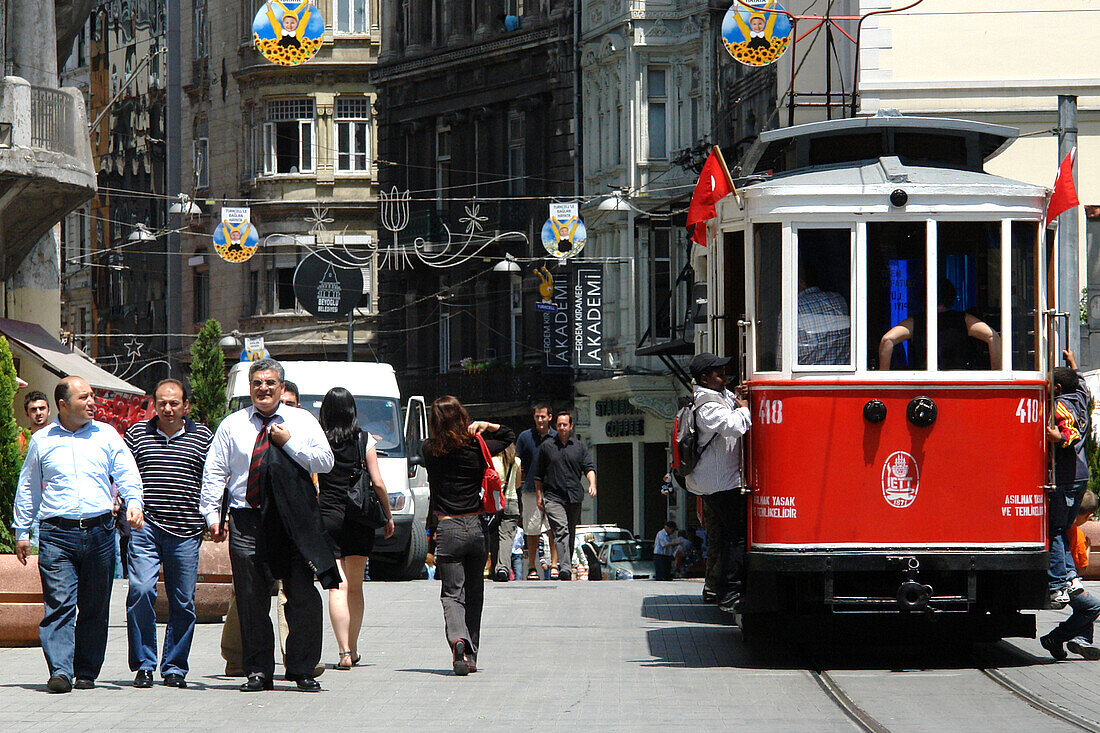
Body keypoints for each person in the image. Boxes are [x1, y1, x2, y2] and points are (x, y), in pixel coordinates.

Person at [200, 358, 337, 693]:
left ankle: (302, 668)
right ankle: (258, 670)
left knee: (302, 595)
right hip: (247, 519)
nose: (264, 389)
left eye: (270, 383)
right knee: (251, 598)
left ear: (281, 386)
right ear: (250, 388)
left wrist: (289, 442)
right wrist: (213, 517)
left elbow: (326, 462)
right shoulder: (232, 425)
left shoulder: (302, 421)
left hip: (293, 521)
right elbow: (215, 473)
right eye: (257, 383)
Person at [13, 376, 145, 693]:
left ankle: (85, 670)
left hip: (100, 532)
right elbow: (28, 487)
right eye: (84, 397)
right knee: (59, 604)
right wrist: (22, 530)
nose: (91, 402)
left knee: (94, 606)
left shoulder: (107, 436)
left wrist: (134, 502)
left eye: (92, 396)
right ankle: (60, 670)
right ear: (63, 404)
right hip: (57, 534)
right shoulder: (42, 440)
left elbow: (126, 470)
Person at [123, 379, 212, 690]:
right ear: (154, 404)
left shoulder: (203, 437)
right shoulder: (136, 434)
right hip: (144, 528)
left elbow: (213, 480)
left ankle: (174, 667)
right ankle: (144, 665)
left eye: (174, 403)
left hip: (186, 530)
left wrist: (215, 518)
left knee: (183, 601)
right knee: (140, 591)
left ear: (185, 405)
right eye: (162, 402)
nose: (168, 408)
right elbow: (123, 473)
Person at [421, 395, 515, 675]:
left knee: (452, 594)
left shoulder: (429, 449)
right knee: (475, 592)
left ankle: (458, 639)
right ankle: (471, 655)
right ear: (462, 416)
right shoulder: (477, 445)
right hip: (476, 527)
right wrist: (485, 425)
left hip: (448, 528)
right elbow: (509, 436)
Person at [317, 387, 395, 669]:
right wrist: (387, 516)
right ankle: (355, 646)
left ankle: (343, 653)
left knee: (337, 585)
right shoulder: (365, 439)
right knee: (356, 587)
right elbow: (377, 482)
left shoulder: (320, 440)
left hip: (328, 514)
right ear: (352, 411)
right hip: (360, 516)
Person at [683, 353, 751, 613]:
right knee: (735, 536)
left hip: (720, 482)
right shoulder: (706, 404)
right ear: (704, 378)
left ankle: (721, 588)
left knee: (724, 537)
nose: (724, 377)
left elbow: (730, 405)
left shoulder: (715, 395)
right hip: (719, 484)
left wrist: (736, 396)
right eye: (719, 373)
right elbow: (735, 426)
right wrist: (744, 407)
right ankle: (730, 593)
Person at [1045, 349, 1092, 607]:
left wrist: (1058, 438)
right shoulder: (1081, 397)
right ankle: (1072, 578)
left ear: (1059, 387)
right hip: (1080, 476)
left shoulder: (1061, 404)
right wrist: (1073, 362)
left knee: (1054, 530)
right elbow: (1081, 381)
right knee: (1063, 528)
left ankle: (1057, 585)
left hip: (1064, 477)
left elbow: (1070, 434)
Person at [878, 277, 1001, 370]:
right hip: (959, 381)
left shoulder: (915, 322)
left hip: (925, 383)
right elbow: (992, 336)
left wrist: (883, 377)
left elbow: (887, 340)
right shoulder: (964, 320)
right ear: (951, 297)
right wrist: (997, 374)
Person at [532, 412, 596, 581]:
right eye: (559, 425)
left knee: (571, 532)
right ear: (556, 426)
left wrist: (592, 484)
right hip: (553, 497)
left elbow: (589, 467)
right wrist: (539, 496)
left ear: (571, 426)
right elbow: (538, 475)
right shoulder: (547, 447)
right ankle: (565, 568)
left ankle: (565, 564)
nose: (561, 428)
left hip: (574, 496)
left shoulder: (579, 447)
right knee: (561, 530)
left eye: (565, 425)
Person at [1040, 490, 1100, 660]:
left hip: (1047, 577)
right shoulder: (1076, 533)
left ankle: (1081, 640)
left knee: (1084, 607)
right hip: (1064, 583)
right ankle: (1056, 638)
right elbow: (1081, 569)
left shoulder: (1054, 528)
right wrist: (1087, 550)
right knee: (1093, 606)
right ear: (1088, 515)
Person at [515, 404, 557, 579]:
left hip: (553, 490)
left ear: (550, 417)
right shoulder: (525, 437)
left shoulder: (556, 437)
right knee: (531, 530)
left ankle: (555, 565)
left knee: (553, 529)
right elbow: (517, 462)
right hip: (530, 489)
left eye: (543, 416)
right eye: (537, 416)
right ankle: (532, 567)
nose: (540, 420)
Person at [487, 444, 520, 582]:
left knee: (493, 536)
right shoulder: (516, 462)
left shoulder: (492, 461)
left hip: (495, 501)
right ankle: (503, 568)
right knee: (506, 537)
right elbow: (517, 484)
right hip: (511, 501)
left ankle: (494, 567)